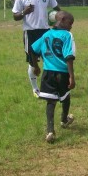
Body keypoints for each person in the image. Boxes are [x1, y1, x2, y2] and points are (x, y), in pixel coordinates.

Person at [12, 0, 60, 97]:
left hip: (45, 31)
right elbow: (15, 16)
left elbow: (57, 9)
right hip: (30, 32)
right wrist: (24, 12)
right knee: (33, 62)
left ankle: (51, 86)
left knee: (49, 59)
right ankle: (35, 89)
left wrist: (59, 20)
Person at [31, 11, 76, 143]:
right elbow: (69, 57)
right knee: (66, 96)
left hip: (47, 73)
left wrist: (36, 67)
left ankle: (50, 130)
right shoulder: (67, 35)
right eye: (70, 23)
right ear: (61, 19)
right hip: (62, 72)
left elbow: (33, 50)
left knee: (51, 101)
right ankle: (64, 120)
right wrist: (72, 77)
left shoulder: (47, 34)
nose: (71, 26)